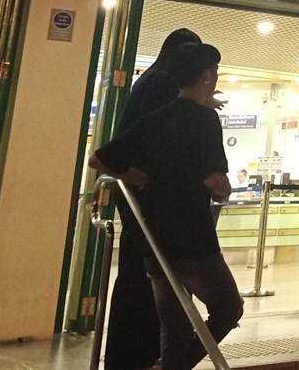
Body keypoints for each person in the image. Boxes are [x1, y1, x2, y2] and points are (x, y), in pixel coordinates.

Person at [90, 43, 243, 370]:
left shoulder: (157, 118)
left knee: (174, 324)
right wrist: (223, 191)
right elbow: (216, 182)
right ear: (206, 76)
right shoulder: (205, 120)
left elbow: (99, 159)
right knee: (228, 309)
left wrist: (141, 179)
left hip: (154, 236)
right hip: (193, 236)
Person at [103, 27, 200, 370]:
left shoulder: (151, 79)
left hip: (134, 187)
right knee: (144, 273)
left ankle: (133, 354)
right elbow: (155, 134)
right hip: (144, 191)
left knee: (140, 273)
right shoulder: (162, 84)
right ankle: (137, 354)